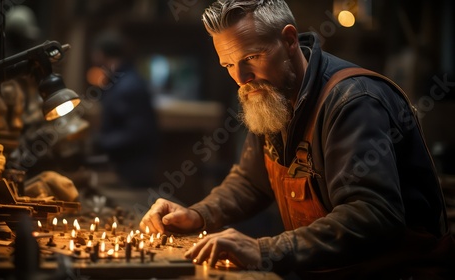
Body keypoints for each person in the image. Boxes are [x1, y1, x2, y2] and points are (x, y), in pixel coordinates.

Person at [140, 0, 455, 279]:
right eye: (228, 65)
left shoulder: (353, 101)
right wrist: (198, 214)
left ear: (289, 39)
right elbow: (251, 182)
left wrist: (264, 250)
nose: (240, 77)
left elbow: (372, 214)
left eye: (252, 56)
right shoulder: (269, 95)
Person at [89, 29, 160, 188]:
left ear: (100, 54)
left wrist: (99, 142)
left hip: (133, 170)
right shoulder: (121, 80)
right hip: (126, 166)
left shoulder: (128, 85)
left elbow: (138, 132)